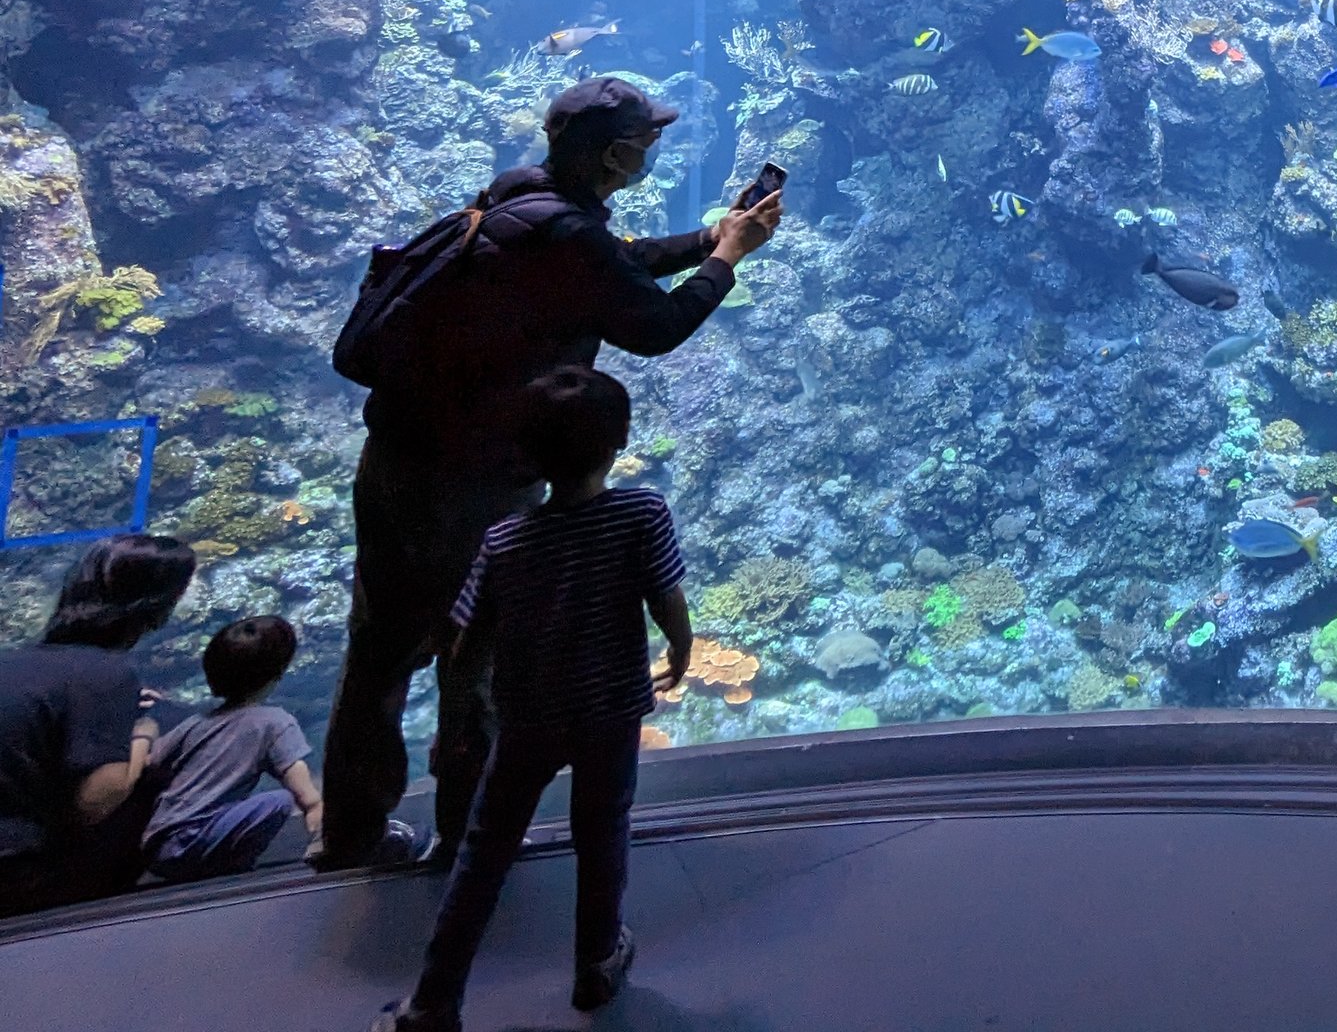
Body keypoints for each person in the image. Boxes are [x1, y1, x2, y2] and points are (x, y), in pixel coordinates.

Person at [315, 76, 777, 872]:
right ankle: (465, 835)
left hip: (396, 458)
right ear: (613, 152)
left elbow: (618, 263)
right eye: (647, 138)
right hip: (480, 482)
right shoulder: (569, 239)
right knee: (478, 656)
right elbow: (654, 325)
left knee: (380, 647)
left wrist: (707, 238)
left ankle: (351, 829)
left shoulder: (515, 199)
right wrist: (728, 261)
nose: (655, 148)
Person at [375, 367, 690, 1032]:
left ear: (525, 453)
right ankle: (597, 961)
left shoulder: (506, 538)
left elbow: (468, 641)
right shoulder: (642, 513)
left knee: (485, 851)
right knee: (603, 832)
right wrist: (682, 652)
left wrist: (460, 716)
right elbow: (666, 597)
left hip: (526, 718)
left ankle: (432, 1001)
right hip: (610, 711)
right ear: (622, 438)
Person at [0, 533, 196, 916]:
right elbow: (95, 801)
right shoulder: (108, 674)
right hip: (21, 879)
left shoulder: (12, 662)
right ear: (157, 609)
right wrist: (144, 732)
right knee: (171, 751)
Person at [139, 615, 324, 882]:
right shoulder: (275, 722)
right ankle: (235, 871)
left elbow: (149, 763)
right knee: (279, 802)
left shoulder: (194, 723)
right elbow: (303, 791)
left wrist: (143, 732)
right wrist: (315, 811)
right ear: (278, 673)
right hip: (193, 842)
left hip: (156, 846)